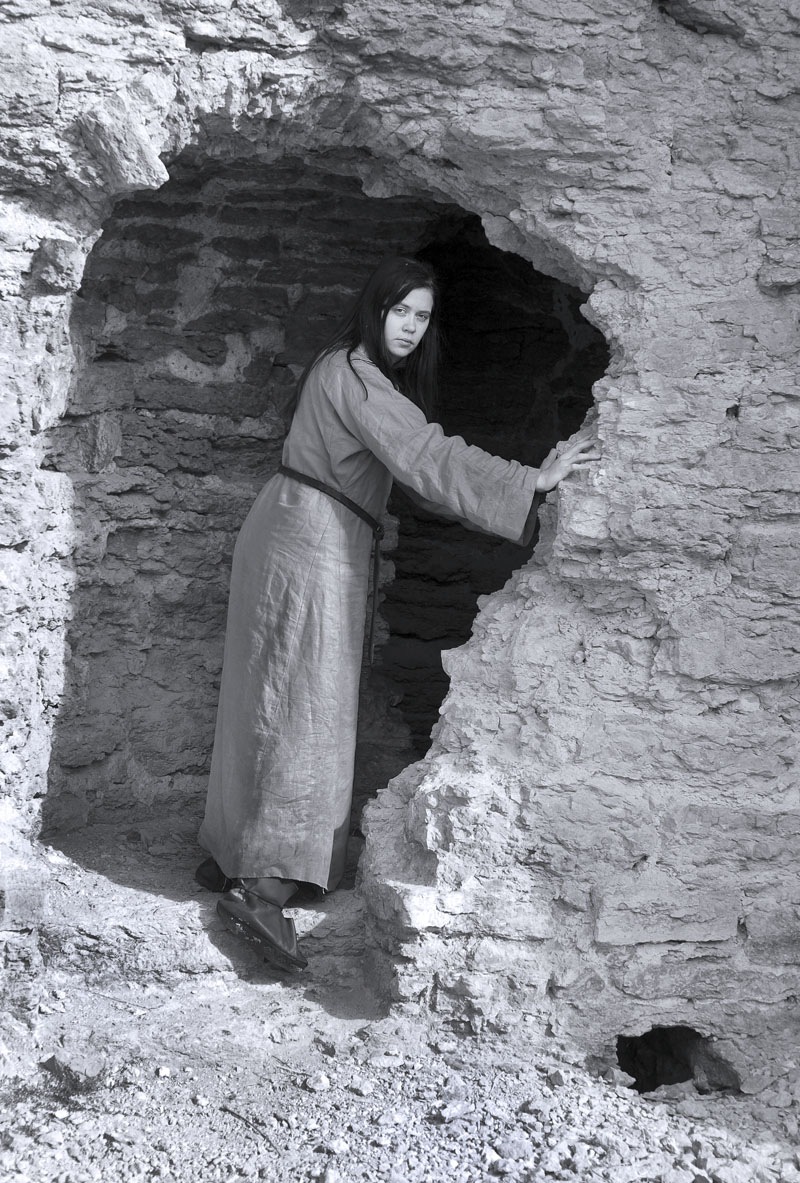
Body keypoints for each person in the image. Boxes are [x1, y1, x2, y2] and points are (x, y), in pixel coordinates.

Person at [195, 256, 598, 971]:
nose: (410, 327)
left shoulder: (347, 370)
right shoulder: (356, 376)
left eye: (422, 316)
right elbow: (423, 454)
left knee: (272, 696)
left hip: (299, 527)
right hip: (310, 540)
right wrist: (529, 480)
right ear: (374, 310)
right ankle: (262, 886)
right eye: (400, 311)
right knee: (304, 707)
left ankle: (233, 853)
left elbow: (414, 460)